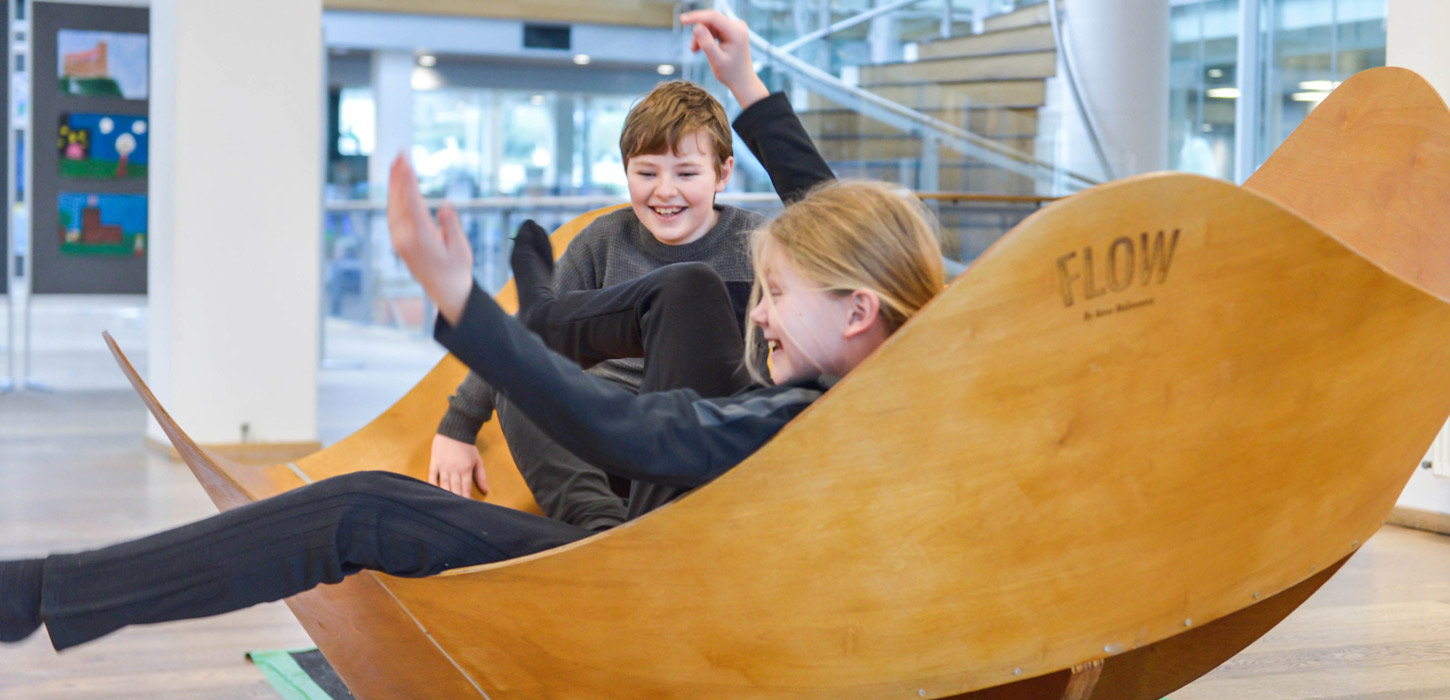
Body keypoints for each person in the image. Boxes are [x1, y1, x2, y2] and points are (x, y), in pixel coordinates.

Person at [0, 154, 944, 652]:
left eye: (778, 295)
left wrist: (464, 309)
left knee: (360, 507)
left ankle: (40, 594)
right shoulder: (899, 372)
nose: (766, 314)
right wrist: (749, 88)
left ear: (861, 311)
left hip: (649, 580)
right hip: (671, 533)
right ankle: (542, 317)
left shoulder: (800, 415)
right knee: (696, 292)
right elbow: (852, 237)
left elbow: (636, 431)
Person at [433, 17, 835, 531]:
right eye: (646, 173)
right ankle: (596, 527)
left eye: (686, 174)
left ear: (723, 174)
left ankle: (627, 530)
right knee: (521, 379)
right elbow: (524, 338)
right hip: (607, 437)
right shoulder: (605, 240)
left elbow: (830, 222)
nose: (664, 191)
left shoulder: (754, 243)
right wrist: (458, 426)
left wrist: (745, 82)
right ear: (625, 171)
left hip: (701, 435)